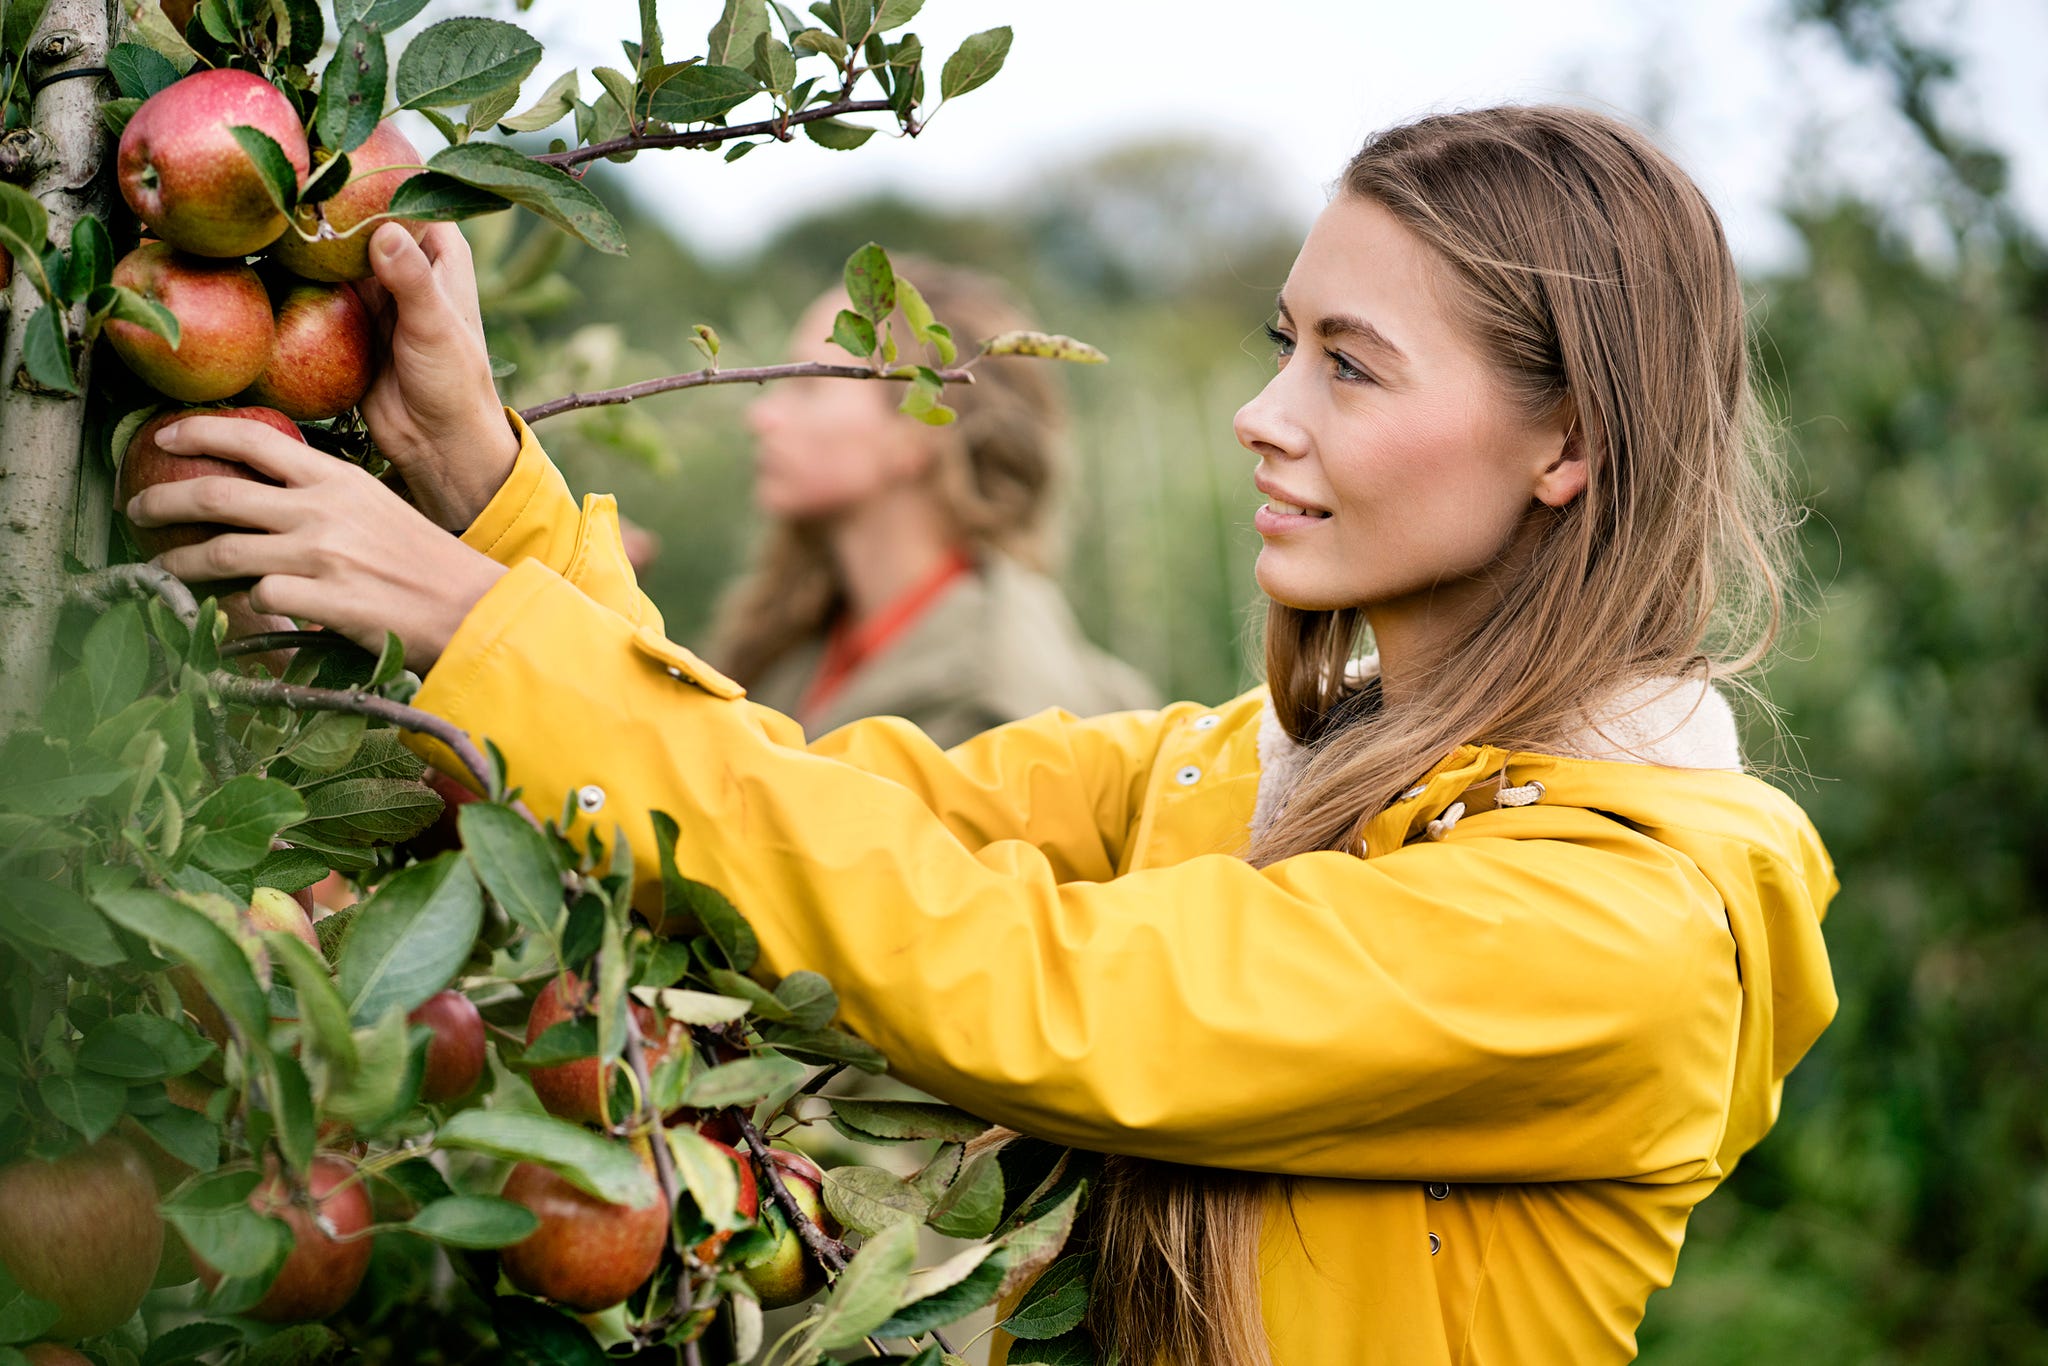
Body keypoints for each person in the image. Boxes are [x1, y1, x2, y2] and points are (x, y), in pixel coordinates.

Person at [128, 104, 1839, 1365]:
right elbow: (818, 810)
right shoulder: (1244, 767)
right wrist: (493, 498)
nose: (1260, 413)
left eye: (1349, 367)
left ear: (1566, 447)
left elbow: (1027, 986)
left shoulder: (1609, 930)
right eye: (1277, 345)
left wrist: (476, 625)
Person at [712, 264, 1158, 746]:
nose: (761, 416)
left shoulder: (994, 704)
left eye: (808, 385)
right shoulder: (804, 635)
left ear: (920, 427)